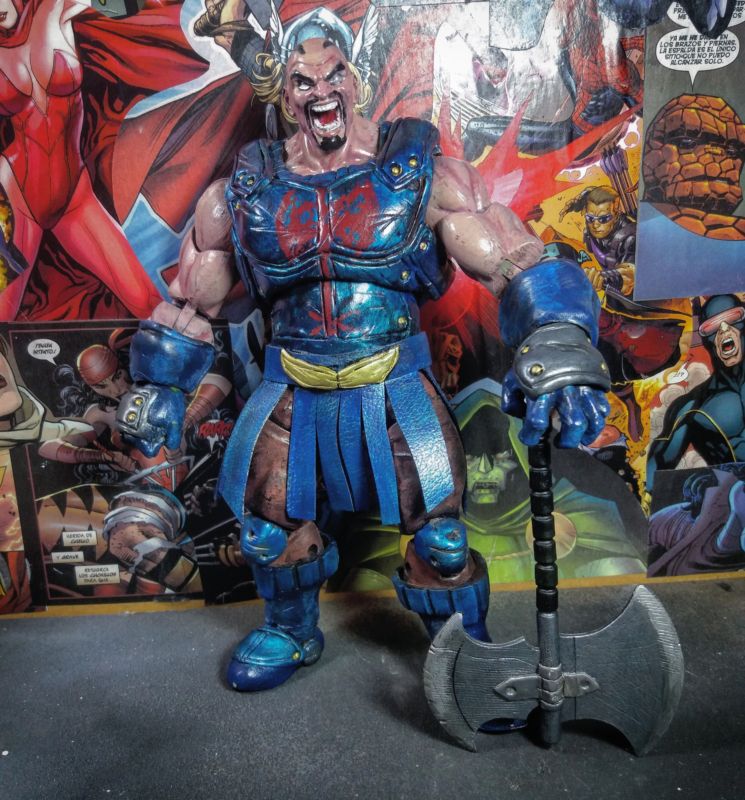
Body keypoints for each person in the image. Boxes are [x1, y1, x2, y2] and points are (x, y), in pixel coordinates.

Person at [116, 11, 610, 693]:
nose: (320, 90)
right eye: (302, 80)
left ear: (356, 80)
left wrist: (557, 337)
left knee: (440, 541)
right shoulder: (246, 191)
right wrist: (160, 387)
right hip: (292, 389)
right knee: (268, 532)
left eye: (333, 74)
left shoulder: (421, 174)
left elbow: (512, 257)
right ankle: (291, 628)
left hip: (395, 386)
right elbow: (192, 302)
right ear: (284, 94)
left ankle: (460, 651)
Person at [647, 294, 745, 493]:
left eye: (733, 318)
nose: (724, 329)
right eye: (712, 326)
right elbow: (654, 470)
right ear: (706, 339)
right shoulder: (691, 408)